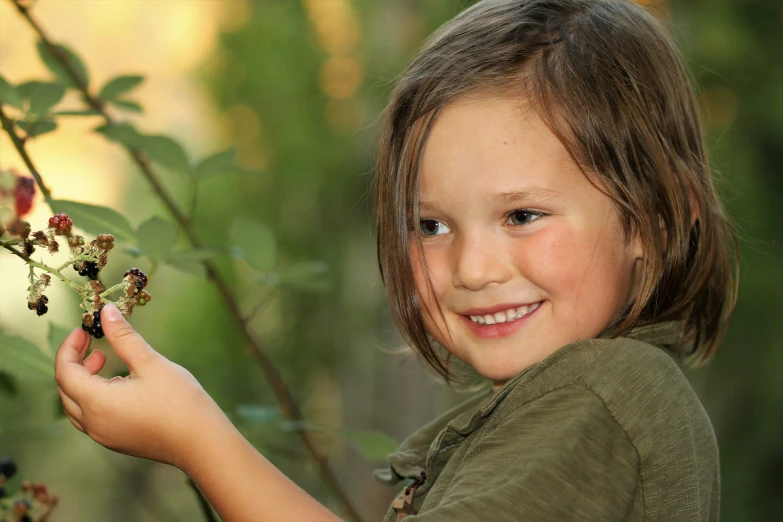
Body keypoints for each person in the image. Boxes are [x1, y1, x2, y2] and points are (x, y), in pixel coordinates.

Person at [54, 0, 738, 520]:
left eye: (521, 216)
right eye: (430, 224)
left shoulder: (602, 395)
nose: (471, 267)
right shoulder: (564, 407)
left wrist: (197, 438)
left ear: (655, 217)